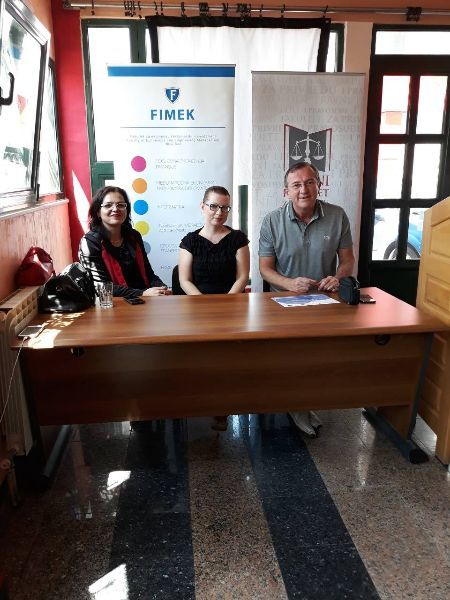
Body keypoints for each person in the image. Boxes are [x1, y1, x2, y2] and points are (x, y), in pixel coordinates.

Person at [259, 161, 355, 437]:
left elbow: (348, 261)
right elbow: (265, 269)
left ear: (319, 185)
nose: (304, 189)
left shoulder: (337, 215)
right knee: (294, 359)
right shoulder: (271, 221)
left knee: (319, 359)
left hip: (325, 301)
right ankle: (298, 407)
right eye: (297, 185)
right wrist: (290, 283)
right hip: (284, 303)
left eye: (310, 182)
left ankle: (304, 403)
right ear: (286, 191)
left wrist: (337, 277)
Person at [178, 186, 250, 430]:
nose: (219, 212)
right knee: (201, 358)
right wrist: (203, 304)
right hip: (198, 306)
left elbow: (242, 277)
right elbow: (184, 280)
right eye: (214, 206)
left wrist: (226, 304)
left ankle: (221, 406)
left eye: (225, 207)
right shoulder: (190, 241)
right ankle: (199, 398)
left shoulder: (238, 239)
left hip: (231, 305)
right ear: (203, 207)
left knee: (226, 360)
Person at [79, 186, 171, 299]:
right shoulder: (90, 242)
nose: (115, 209)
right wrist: (142, 293)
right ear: (98, 212)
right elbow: (101, 287)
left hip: (144, 301)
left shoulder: (134, 236)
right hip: (113, 303)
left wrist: (162, 288)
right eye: (108, 205)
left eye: (121, 205)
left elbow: (149, 274)